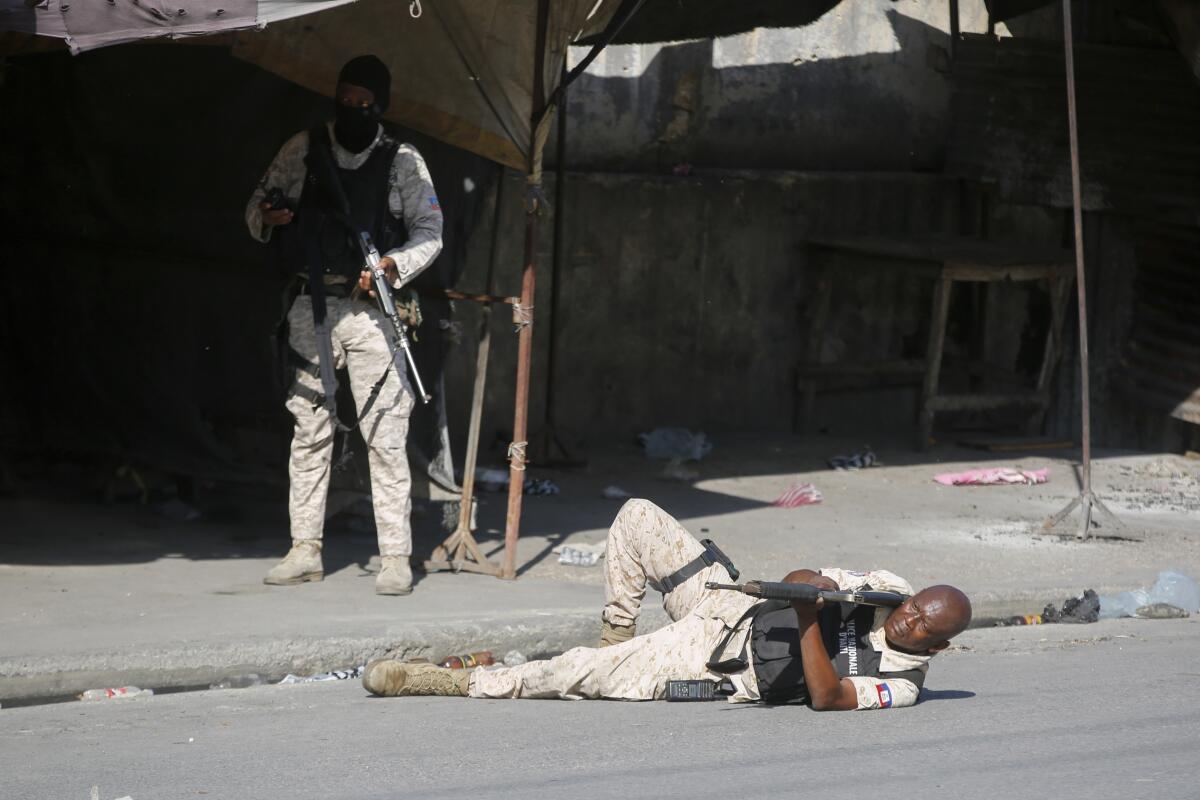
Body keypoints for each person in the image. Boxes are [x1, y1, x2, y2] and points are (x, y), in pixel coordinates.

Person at [362, 499, 972, 708]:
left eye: (921, 625)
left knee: (571, 674)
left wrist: (812, 614)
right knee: (637, 518)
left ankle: (445, 684)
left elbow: (827, 697)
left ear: (937, 647)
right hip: (729, 604)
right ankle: (618, 639)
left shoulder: (901, 683)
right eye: (915, 605)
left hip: (712, 661)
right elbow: (800, 576)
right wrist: (815, 589)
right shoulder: (887, 586)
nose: (907, 617)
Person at [245, 55, 443, 596]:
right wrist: (270, 214)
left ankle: (395, 557)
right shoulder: (303, 148)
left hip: (372, 313)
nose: (353, 111)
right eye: (346, 100)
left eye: (365, 104)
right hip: (313, 307)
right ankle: (304, 549)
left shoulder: (403, 161)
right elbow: (256, 209)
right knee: (309, 433)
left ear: (381, 106)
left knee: (385, 433)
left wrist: (392, 266)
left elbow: (430, 230)